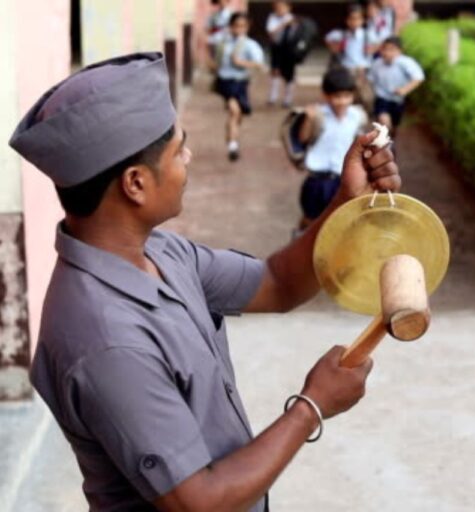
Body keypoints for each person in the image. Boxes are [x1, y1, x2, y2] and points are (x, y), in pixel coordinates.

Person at [8, 52, 400, 512]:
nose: (189, 157)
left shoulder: (159, 252)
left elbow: (276, 282)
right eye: (179, 150)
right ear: (135, 183)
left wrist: (344, 203)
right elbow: (201, 502)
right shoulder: (106, 341)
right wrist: (311, 407)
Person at [296, 68, 369, 231]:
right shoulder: (318, 115)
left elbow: (358, 140)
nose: (342, 101)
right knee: (310, 219)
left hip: (341, 179)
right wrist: (308, 119)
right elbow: (303, 139)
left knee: (338, 221)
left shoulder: (357, 116)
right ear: (326, 96)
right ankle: (299, 240)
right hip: (317, 179)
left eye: (347, 96)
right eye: (337, 96)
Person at [209, 12, 265, 161]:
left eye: (242, 26)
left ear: (247, 27)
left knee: (237, 116)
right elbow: (210, 48)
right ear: (231, 26)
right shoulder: (223, 41)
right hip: (225, 82)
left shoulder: (249, 45)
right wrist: (213, 64)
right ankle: (233, 146)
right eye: (236, 26)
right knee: (234, 111)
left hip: (240, 82)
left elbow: (259, 64)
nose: (238, 29)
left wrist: (241, 62)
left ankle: (232, 139)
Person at [368, 36, 424, 136]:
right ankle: (385, 145)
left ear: (399, 51)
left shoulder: (406, 63)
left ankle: (390, 142)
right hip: (382, 98)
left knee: (394, 126)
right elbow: (371, 80)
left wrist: (405, 89)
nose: (387, 53)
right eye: (385, 49)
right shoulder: (376, 64)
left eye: (391, 50)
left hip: (398, 100)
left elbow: (419, 77)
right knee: (384, 123)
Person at [266, 0, 297, 108]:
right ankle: (272, 97)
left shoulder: (293, 19)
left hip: (289, 49)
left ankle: (288, 99)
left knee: (289, 74)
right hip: (277, 48)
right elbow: (271, 31)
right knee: (275, 71)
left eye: (282, 7)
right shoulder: (273, 18)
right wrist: (283, 25)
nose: (279, 10)